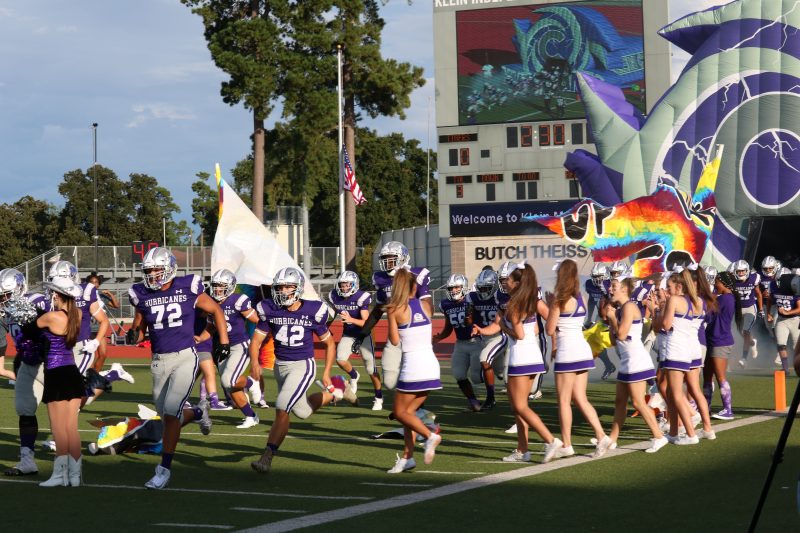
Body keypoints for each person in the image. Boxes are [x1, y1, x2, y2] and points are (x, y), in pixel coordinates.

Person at [128, 247, 229, 489]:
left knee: (172, 413)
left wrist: (223, 342)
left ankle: (163, 469)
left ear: (169, 269)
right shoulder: (141, 293)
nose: (152, 275)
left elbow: (215, 309)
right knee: (166, 416)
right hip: (158, 360)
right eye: (149, 271)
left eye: (157, 270)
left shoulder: (188, 285)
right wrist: (134, 334)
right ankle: (198, 412)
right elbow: (139, 327)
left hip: (185, 356)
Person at [249, 267, 339, 474]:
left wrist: (325, 373)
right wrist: (254, 362)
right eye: (279, 287)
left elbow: (330, 343)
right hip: (281, 366)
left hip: (303, 365)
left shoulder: (313, 310)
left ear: (297, 289)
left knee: (282, 407)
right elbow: (256, 340)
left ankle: (267, 456)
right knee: (303, 411)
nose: (282, 291)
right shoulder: (269, 308)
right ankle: (336, 393)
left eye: (287, 287)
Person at [475, 263, 563, 463]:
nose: (505, 283)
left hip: (521, 357)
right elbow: (549, 321)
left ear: (516, 283)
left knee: (521, 406)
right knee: (518, 407)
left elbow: (520, 335)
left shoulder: (515, 304)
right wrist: (482, 330)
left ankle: (550, 440)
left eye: (508, 280)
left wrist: (505, 330)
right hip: (531, 356)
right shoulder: (529, 300)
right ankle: (523, 450)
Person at [545, 260, 611, 457]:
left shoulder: (559, 300)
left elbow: (550, 329)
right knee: (581, 399)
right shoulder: (579, 296)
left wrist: (550, 306)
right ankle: (601, 436)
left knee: (564, 400)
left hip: (567, 351)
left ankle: (566, 444)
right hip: (581, 349)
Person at [351, 241, 432, 395]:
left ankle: (415, 408)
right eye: (385, 259)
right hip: (395, 333)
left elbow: (428, 308)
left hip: (414, 334)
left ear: (403, 258)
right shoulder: (381, 280)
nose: (387, 263)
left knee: (415, 377)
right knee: (389, 382)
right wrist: (362, 334)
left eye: (391, 259)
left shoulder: (416, 275)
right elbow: (377, 311)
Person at [48, 261, 132, 407]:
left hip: (81, 346)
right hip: (60, 348)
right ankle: (112, 374)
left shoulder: (86, 291)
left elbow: (104, 321)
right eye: (53, 280)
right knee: (79, 399)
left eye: (60, 280)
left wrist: (96, 342)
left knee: (70, 397)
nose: (55, 285)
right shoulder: (51, 297)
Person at [385, 268, 442, 473]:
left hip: (413, 366)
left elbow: (394, 340)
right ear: (414, 287)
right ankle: (408, 458)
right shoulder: (426, 305)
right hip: (431, 365)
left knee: (400, 412)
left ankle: (430, 435)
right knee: (409, 413)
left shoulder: (394, 309)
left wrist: (391, 315)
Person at [604, 276, 667, 453]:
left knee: (638, 402)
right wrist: (611, 319)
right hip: (626, 361)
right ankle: (612, 440)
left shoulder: (630, 306)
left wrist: (612, 318)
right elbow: (614, 341)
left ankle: (659, 436)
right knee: (620, 401)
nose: (610, 289)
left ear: (624, 289)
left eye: (614, 286)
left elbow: (622, 335)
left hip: (636, 361)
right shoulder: (620, 309)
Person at [37, 277, 85, 487]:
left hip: (56, 374)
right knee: (71, 428)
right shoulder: (78, 314)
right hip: (72, 373)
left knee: (58, 428)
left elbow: (32, 325)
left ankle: (60, 475)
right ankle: (75, 476)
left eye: (52, 294)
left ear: (57, 295)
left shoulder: (51, 317)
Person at [652, 269, 709, 445]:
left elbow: (665, 325)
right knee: (671, 392)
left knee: (676, 394)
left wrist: (657, 311)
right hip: (685, 348)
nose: (667, 290)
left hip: (674, 348)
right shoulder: (692, 301)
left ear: (678, 286)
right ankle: (675, 432)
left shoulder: (675, 300)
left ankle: (691, 434)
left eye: (669, 287)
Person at [1, 269, 48, 477]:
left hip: (50, 363)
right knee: (24, 409)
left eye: (6, 295)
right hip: (27, 363)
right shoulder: (5, 312)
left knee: (68, 408)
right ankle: (27, 460)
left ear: (19, 288)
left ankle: (67, 460)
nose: (3, 300)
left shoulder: (38, 301)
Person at [205, 268, 261, 428]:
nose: (217, 289)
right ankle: (251, 416)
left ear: (229, 286)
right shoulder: (211, 302)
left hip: (239, 345)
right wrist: (199, 338)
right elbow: (210, 327)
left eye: (221, 286)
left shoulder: (238, 300)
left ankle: (251, 383)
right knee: (230, 387)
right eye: (215, 285)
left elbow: (258, 320)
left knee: (228, 380)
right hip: (222, 347)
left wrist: (258, 341)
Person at [328, 270, 383, 409]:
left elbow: (367, 322)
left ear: (354, 285)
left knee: (371, 369)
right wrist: (326, 326)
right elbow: (333, 312)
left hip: (364, 334)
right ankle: (354, 375)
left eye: (347, 285)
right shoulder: (335, 296)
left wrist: (350, 319)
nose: (344, 288)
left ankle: (378, 397)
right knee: (340, 359)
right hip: (348, 334)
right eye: (342, 285)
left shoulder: (361, 297)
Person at [434, 274, 482, 412]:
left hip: (476, 342)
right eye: (451, 288)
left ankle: (491, 394)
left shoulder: (471, 300)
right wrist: (440, 336)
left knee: (476, 377)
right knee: (459, 374)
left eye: (456, 287)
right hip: (460, 343)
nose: (453, 290)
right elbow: (449, 326)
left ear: (464, 287)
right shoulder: (446, 304)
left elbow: (476, 322)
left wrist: (470, 317)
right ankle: (473, 401)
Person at [703, 271, 742, 420]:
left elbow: (709, 313)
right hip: (712, 339)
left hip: (720, 341)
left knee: (720, 377)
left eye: (717, 282)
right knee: (707, 377)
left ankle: (728, 409)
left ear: (724, 283)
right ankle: (705, 407)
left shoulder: (726, 299)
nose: (715, 285)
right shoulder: (724, 298)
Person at [466, 268, 505, 409]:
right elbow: (469, 319)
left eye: (486, 288)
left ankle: (491, 398)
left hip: (499, 336)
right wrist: (468, 316)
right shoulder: (473, 297)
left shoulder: (500, 297)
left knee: (484, 359)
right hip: (483, 338)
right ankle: (501, 378)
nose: (483, 291)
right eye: (481, 288)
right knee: (499, 373)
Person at [728, 260, 762, 367]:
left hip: (750, 308)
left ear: (747, 271)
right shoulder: (732, 280)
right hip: (738, 309)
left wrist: (761, 310)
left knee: (745, 330)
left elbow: (758, 294)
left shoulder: (753, 278)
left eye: (743, 271)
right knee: (739, 332)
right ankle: (752, 342)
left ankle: (744, 358)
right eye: (739, 271)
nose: (741, 273)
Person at [585, 263, 616, 379]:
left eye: (600, 276)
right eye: (595, 276)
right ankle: (608, 365)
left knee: (619, 344)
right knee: (594, 340)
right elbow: (591, 300)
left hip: (614, 315)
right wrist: (589, 318)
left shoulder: (610, 285)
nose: (597, 279)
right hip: (601, 315)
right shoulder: (589, 284)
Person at [768, 268, 800, 376]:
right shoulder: (773, 285)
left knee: (797, 346)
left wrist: (788, 312)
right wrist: (768, 313)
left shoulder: (795, 288)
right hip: (781, 320)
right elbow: (769, 299)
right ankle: (785, 369)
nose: (781, 284)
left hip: (795, 319)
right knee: (781, 344)